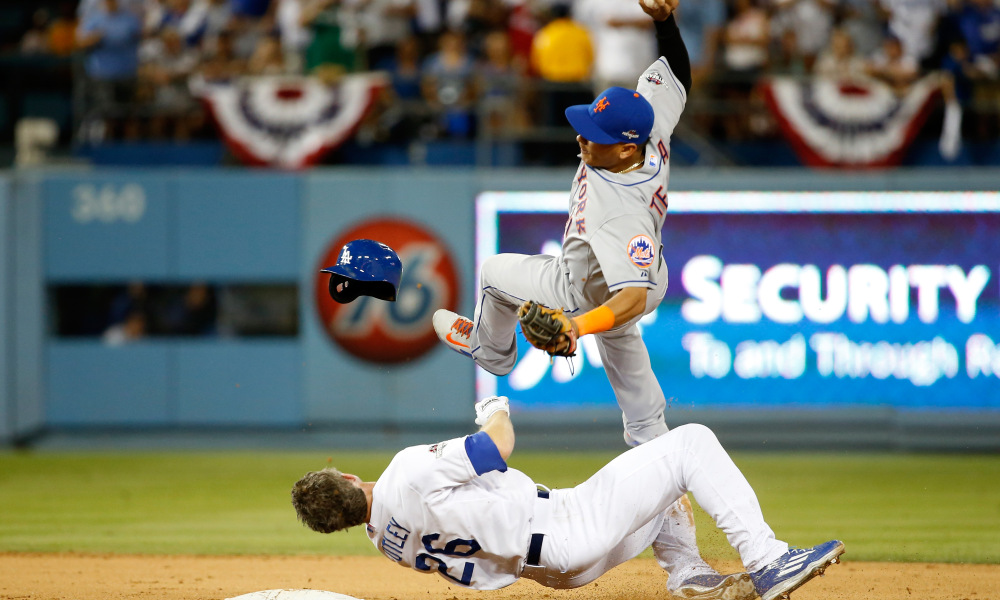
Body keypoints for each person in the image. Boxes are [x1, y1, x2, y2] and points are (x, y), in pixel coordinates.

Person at [430, 1, 735, 597]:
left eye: (594, 136)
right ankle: (688, 571)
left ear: (625, 150)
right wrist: (666, 22)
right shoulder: (648, 121)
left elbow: (630, 296)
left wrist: (574, 324)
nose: (582, 137)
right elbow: (677, 70)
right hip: (623, 281)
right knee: (652, 432)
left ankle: (493, 356)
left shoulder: (616, 205)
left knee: (495, 272)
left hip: (593, 289)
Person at [292, 395, 845, 600]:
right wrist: (493, 405)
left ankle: (689, 574)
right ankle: (768, 560)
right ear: (344, 481)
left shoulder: (383, 543)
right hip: (565, 526)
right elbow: (498, 447)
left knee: (659, 474)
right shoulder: (404, 472)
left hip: (555, 571)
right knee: (690, 444)